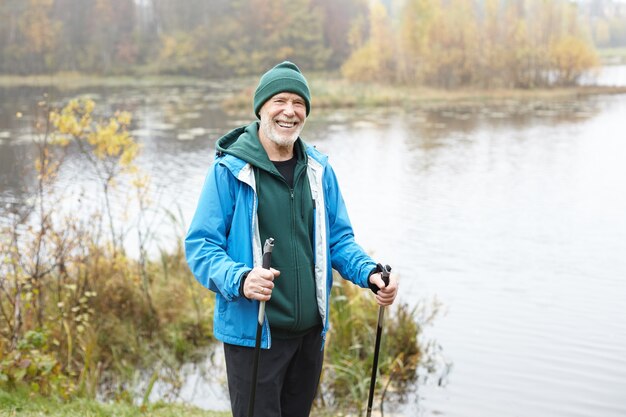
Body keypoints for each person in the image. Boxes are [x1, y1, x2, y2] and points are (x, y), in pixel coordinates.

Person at [185, 61, 398, 417]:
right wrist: (240, 278)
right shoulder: (229, 170)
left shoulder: (318, 170)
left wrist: (370, 273)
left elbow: (339, 241)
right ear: (262, 108)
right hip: (254, 335)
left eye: (298, 103)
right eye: (280, 101)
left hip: (309, 337)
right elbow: (201, 246)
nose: (289, 111)